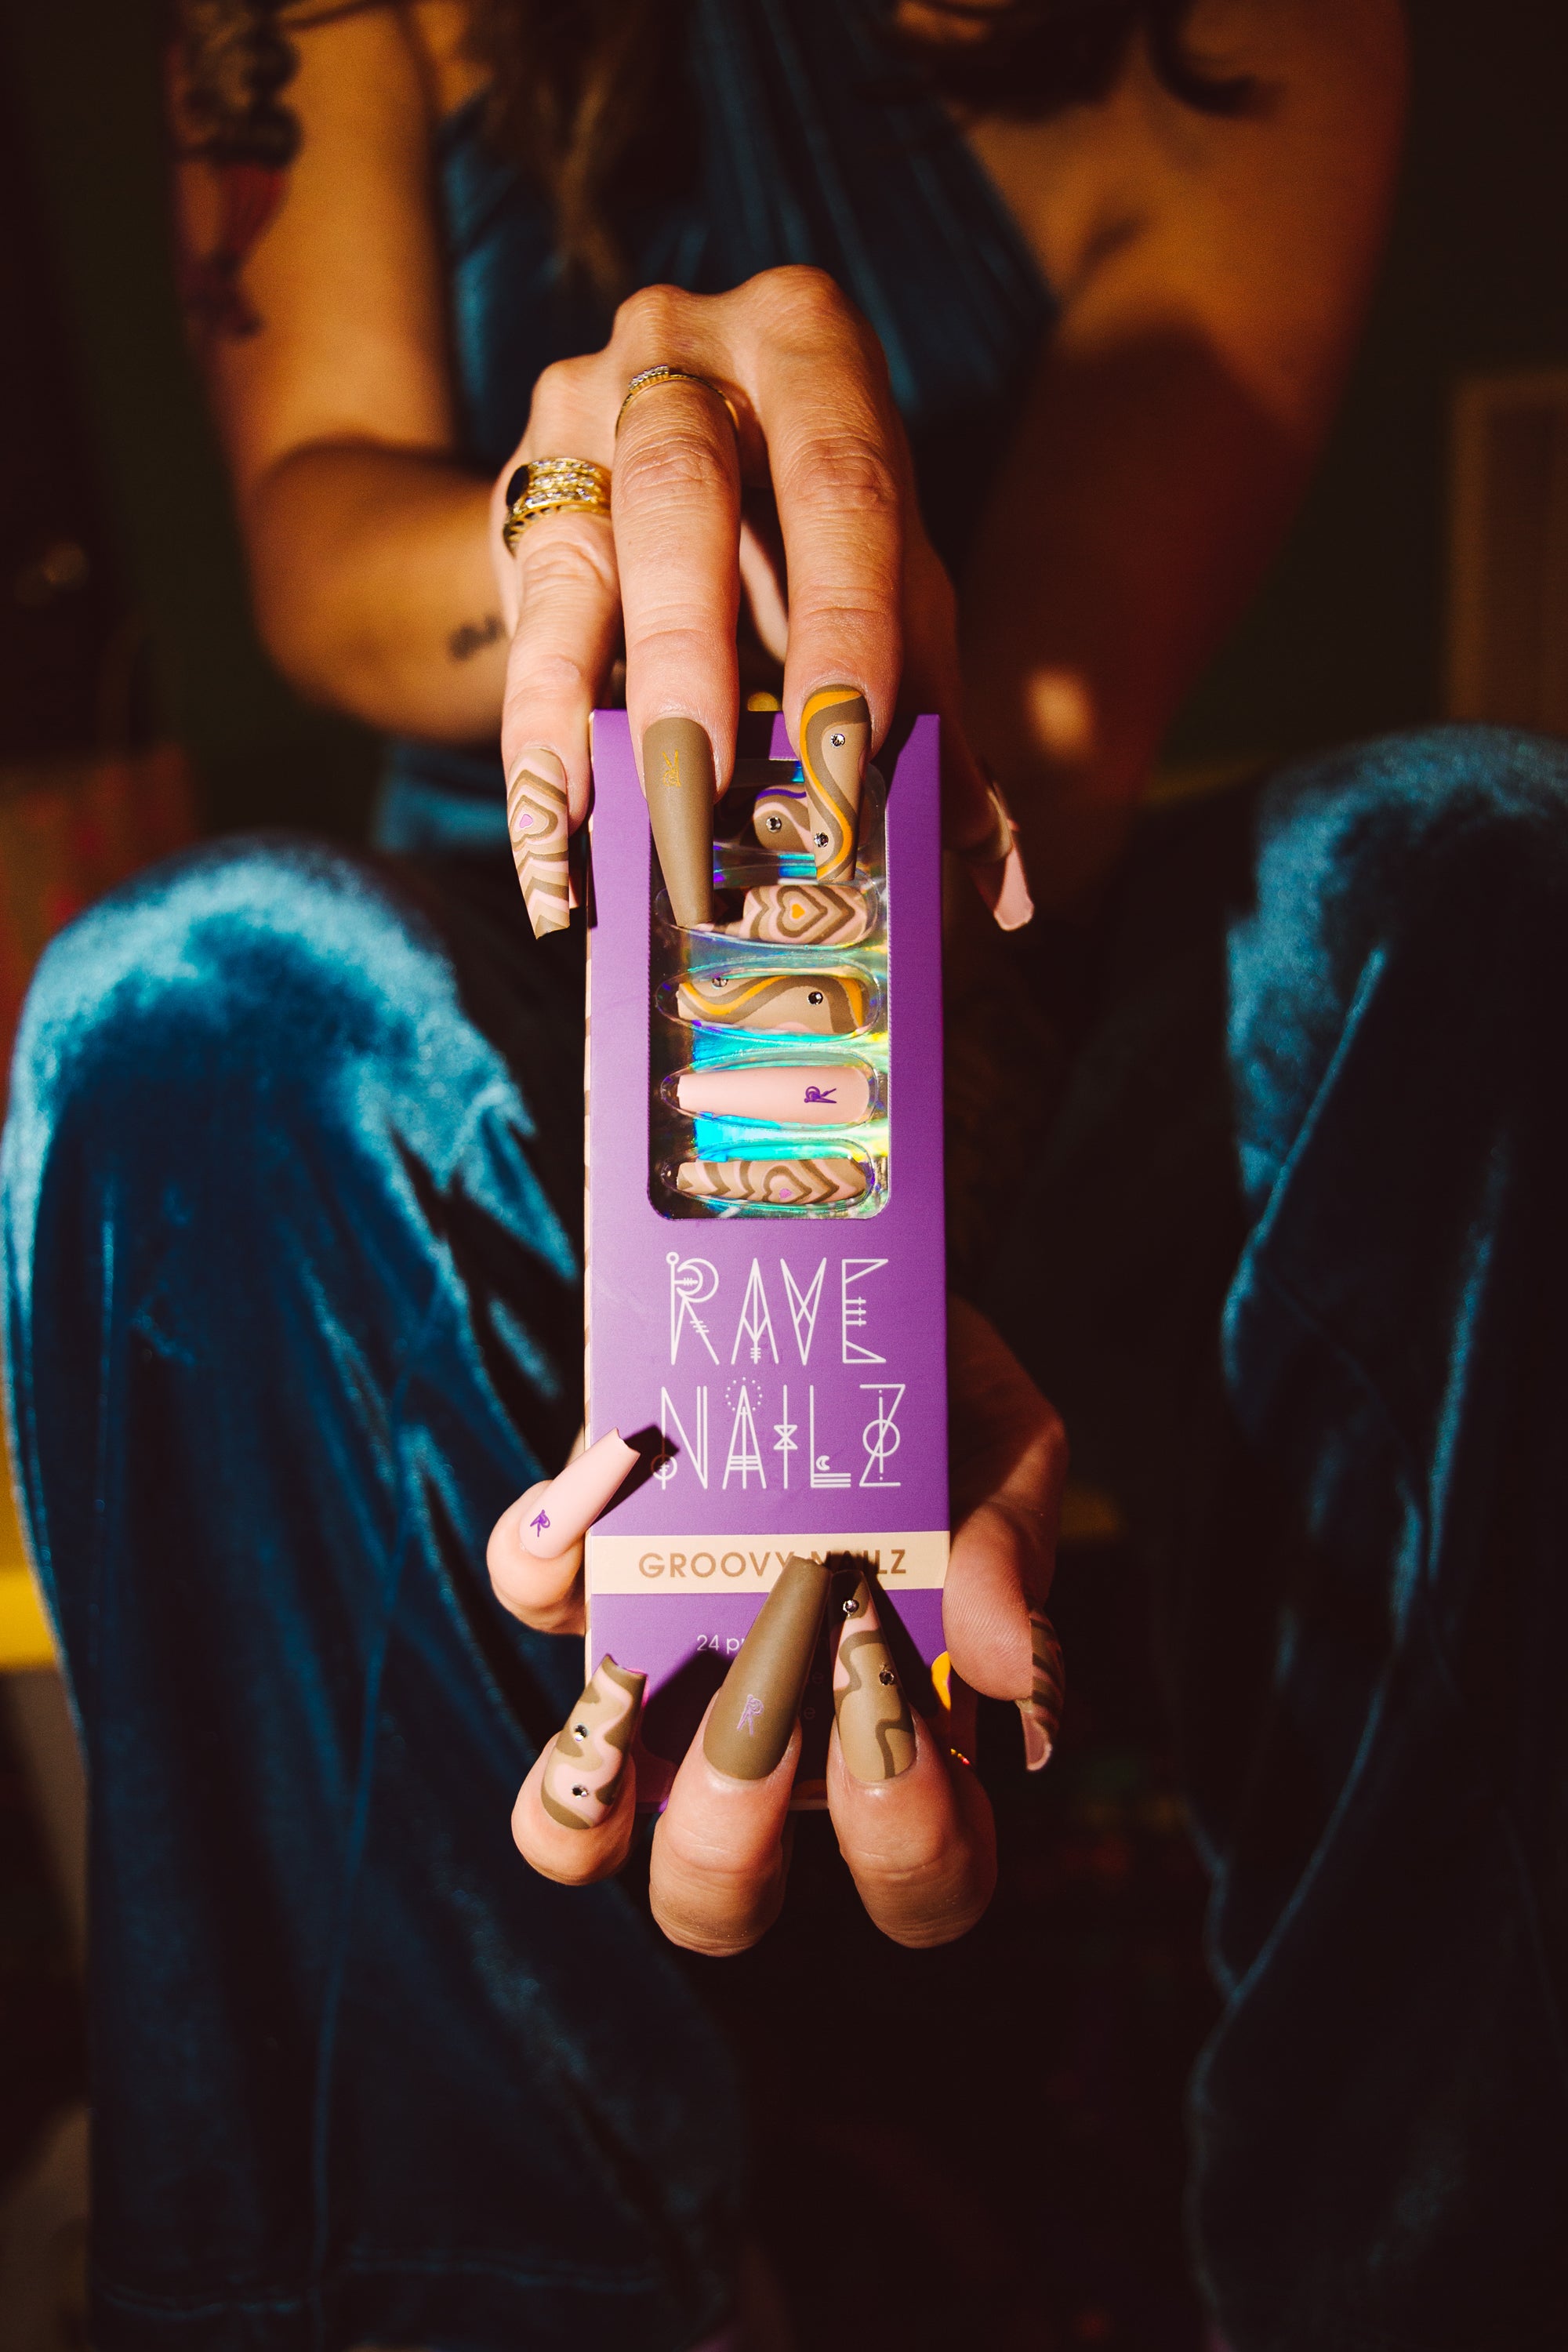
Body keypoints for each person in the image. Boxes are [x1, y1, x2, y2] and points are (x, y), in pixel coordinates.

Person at [5, 0, 1565, 2347]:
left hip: (991, 906)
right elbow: (321, 537)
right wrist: (618, 519)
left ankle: (1441, 2269)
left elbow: (1061, 708)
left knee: (1479, 884)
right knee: (192, 1020)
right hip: (520, 944)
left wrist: (844, 1205)